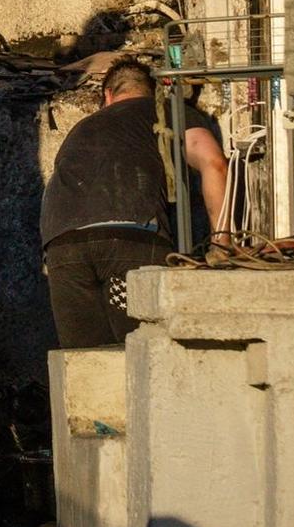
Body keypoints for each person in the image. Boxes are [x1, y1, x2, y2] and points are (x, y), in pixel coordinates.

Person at [40, 56, 229, 348]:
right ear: (152, 92)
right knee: (142, 353)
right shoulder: (167, 112)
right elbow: (214, 163)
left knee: (83, 364)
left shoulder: (81, 128)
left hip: (63, 247)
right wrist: (223, 244)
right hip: (130, 240)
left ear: (107, 95)